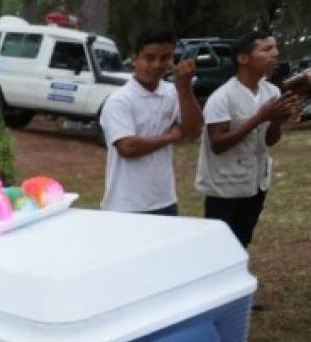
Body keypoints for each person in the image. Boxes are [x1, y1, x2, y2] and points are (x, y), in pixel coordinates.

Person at [195, 30, 299, 249]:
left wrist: (277, 121)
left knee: (243, 238)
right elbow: (218, 144)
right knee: (219, 243)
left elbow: (270, 141)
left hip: (256, 182)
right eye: (266, 49)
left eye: (275, 48)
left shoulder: (271, 91)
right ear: (243, 58)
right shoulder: (222, 97)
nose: (275, 53)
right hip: (225, 187)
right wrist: (260, 117)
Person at [100, 28, 203, 215]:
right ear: (134, 59)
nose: (157, 65)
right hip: (126, 204)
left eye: (164, 58)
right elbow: (128, 147)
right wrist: (171, 136)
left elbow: (194, 130)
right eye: (149, 58)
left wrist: (185, 88)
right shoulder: (120, 100)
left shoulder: (173, 92)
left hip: (165, 200)